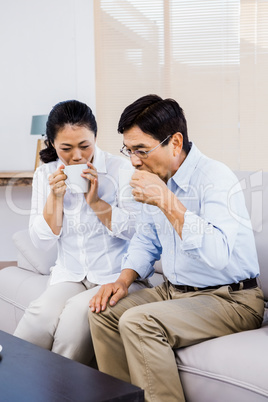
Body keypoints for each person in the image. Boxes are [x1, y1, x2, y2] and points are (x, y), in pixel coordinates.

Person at [88, 94, 265, 401]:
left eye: (141, 150)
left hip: (231, 298)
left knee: (139, 322)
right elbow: (146, 240)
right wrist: (122, 280)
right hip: (176, 291)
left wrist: (166, 200)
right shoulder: (157, 176)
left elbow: (218, 254)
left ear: (175, 142)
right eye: (128, 151)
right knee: (104, 312)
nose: (133, 161)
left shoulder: (215, 178)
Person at [14, 99, 149, 366]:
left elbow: (138, 232)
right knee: (38, 316)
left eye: (85, 146)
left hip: (114, 275)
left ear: (96, 138)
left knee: (74, 321)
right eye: (66, 148)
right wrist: (55, 198)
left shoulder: (121, 169)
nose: (77, 156)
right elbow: (41, 242)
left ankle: (58, 390)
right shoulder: (45, 174)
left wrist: (97, 203)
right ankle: (13, 381)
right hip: (70, 274)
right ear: (52, 144)